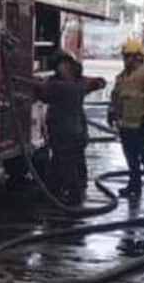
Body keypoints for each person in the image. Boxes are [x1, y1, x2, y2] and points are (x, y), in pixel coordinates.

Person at [16, 52, 105, 205]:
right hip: (74, 131)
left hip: (66, 132)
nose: (60, 68)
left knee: (64, 163)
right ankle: (66, 191)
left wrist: (17, 79)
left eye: (62, 65)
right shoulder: (79, 84)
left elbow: (43, 87)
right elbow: (97, 82)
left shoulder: (63, 87)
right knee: (68, 162)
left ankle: (69, 194)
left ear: (69, 66)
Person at [109, 38, 144, 204]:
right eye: (124, 56)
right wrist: (111, 112)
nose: (125, 60)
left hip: (140, 123)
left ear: (137, 56)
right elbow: (115, 96)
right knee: (131, 157)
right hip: (125, 123)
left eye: (128, 56)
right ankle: (134, 185)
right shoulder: (122, 76)